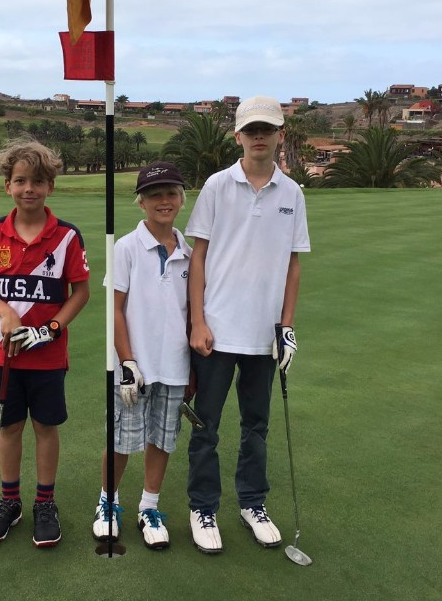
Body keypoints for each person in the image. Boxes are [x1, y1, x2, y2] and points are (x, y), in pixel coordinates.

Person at [184, 95, 310, 554]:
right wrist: (197, 321)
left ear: (280, 135)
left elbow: (292, 265)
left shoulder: (292, 193)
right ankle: (203, 507)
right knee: (206, 425)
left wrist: (286, 326)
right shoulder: (217, 186)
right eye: (251, 129)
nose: (259, 136)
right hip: (217, 330)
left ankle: (252, 503)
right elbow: (198, 257)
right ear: (238, 136)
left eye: (267, 129)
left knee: (257, 425)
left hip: (263, 334)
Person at [0, 139, 91, 549]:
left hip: (47, 356)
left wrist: (52, 328)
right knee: (9, 426)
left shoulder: (67, 236)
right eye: (20, 181)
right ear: (7, 185)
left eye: (38, 181)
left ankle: (44, 502)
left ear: (50, 186)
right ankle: (10, 502)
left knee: (45, 426)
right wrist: (5, 312)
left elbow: (80, 293)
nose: (29, 189)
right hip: (2, 353)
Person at [92, 161, 192, 550]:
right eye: (154, 195)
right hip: (133, 367)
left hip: (174, 365)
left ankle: (149, 506)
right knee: (121, 439)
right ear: (141, 202)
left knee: (162, 439)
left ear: (181, 199)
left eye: (170, 194)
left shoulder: (189, 253)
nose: (163, 201)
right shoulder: (126, 247)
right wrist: (127, 361)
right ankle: (108, 502)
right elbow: (114, 309)